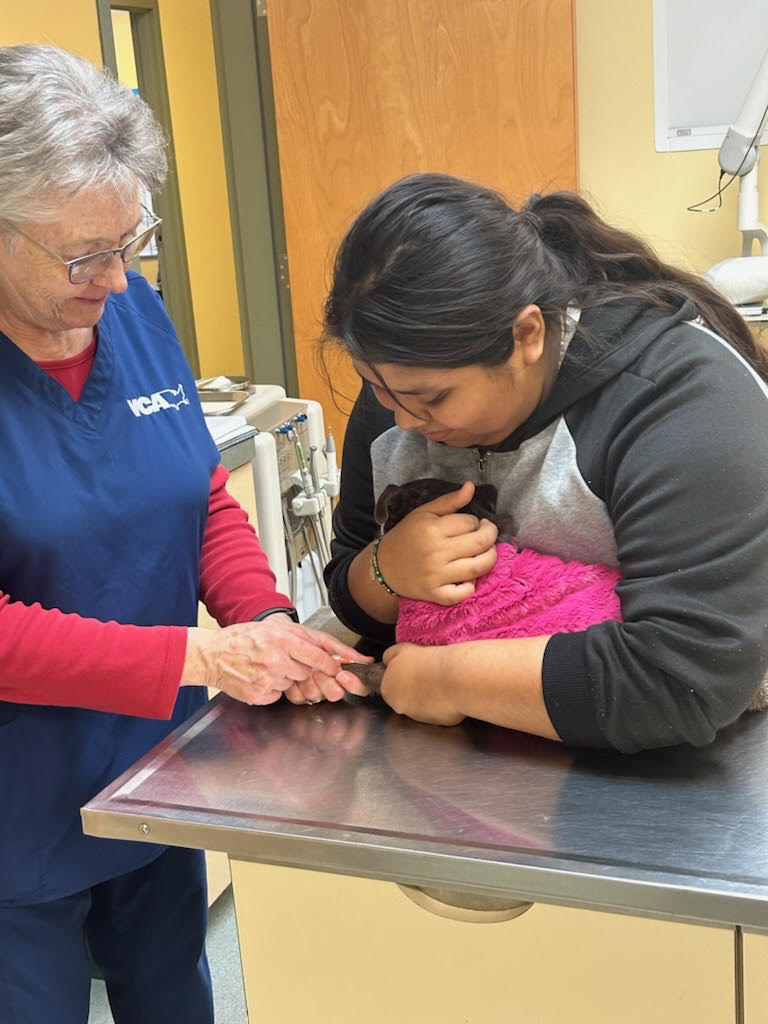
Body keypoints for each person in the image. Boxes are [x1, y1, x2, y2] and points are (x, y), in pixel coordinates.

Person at [0, 44, 369, 1024]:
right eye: (85, 257)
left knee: (175, 1000)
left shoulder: (131, 313)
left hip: (155, 772)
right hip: (15, 810)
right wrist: (205, 653)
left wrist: (266, 619)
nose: (118, 282)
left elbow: (193, 490)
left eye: (135, 242)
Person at [322, 171, 768, 755]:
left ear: (527, 334)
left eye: (433, 399)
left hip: (686, 768)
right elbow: (353, 591)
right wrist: (387, 568)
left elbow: (683, 680)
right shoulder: (402, 383)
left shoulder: (680, 400)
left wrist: (448, 679)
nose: (404, 420)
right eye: (377, 388)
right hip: (476, 761)